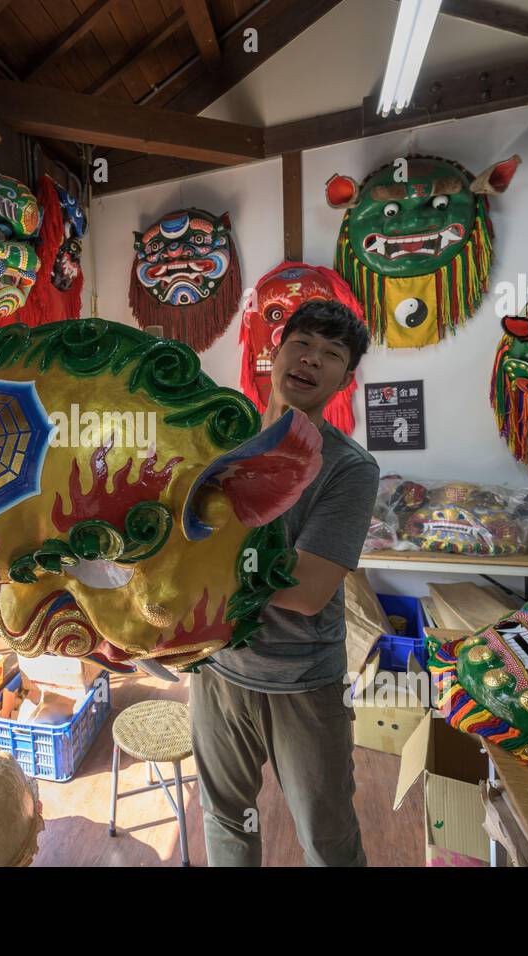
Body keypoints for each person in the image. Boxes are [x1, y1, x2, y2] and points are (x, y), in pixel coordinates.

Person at [190, 298, 378, 867]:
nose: (311, 360)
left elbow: (305, 591)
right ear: (275, 352)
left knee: (325, 836)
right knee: (225, 818)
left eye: (332, 354)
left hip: (301, 680)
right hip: (217, 669)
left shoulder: (349, 468)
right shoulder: (222, 439)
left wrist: (203, 563)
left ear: (346, 378)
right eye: (301, 343)